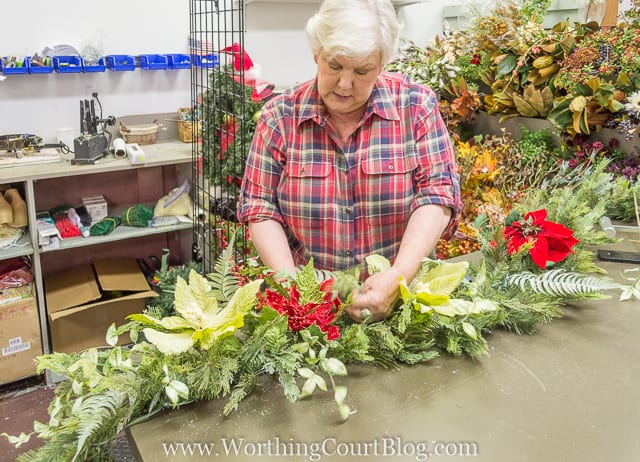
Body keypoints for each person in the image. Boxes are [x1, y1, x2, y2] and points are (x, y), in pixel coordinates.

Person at [238, 0, 461, 323]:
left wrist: (398, 276)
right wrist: (293, 289)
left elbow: (438, 193)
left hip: (403, 302)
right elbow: (259, 206)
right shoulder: (280, 118)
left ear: (382, 63)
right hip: (310, 310)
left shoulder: (415, 106)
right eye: (334, 65)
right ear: (317, 53)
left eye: (361, 71)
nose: (344, 84)